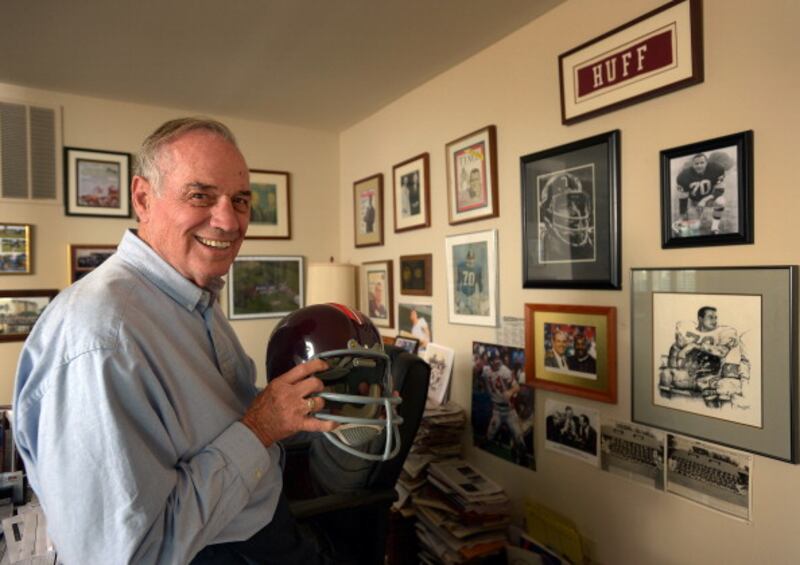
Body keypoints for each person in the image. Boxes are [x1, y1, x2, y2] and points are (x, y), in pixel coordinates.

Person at [13, 118, 339, 564]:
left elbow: (220, 418)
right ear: (143, 198)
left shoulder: (192, 294)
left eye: (240, 201)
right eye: (200, 195)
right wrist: (262, 426)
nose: (229, 221)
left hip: (264, 522)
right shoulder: (99, 337)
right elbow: (127, 555)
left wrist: (319, 400)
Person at [481, 350, 526, 457]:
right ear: (489, 361)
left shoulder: (505, 371)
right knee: (489, 435)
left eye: (498, 358)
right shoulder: (486, 371)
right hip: (497, 410)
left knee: (519, 437)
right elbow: (481, 377)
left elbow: (517, 387)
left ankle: (523, 459)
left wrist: (510, 392)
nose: (497, 361)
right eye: (494, 359)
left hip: (509, 411)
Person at [674, 153, 727, 235]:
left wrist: (704, 200)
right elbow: (683, 198)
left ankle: (714, 228)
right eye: (696, 163)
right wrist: (682, 216)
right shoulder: (684, 176)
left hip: (709, 199)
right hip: (695, 201)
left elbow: (720, 190)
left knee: (721, 201)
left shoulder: (717, 169)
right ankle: (680, 224)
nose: (699, 166)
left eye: (702, 163)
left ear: (707, 163)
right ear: (692, 164)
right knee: (694, 227)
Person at [455, 247, 485, 315]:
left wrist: (480, 294)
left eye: (472, 259)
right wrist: (458, 294)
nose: (471, 261)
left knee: (475, 311)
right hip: (463, 293)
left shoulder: (478, 268)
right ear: (466, 258)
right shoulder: (461, 266)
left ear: (474, 259)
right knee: (460, 310)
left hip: (473, 294)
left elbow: (479, 282)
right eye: (469, 259)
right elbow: (459, 280)